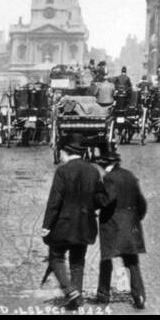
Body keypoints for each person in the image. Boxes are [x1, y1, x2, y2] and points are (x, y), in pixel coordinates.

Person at [42, 133, 108, 310]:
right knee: (78, 262)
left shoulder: (63, 171)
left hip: (63, 225)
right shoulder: (93, 170)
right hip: (85, 224)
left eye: (61, 153)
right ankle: (76, 300)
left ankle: (70, 290)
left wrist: (46, 225)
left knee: (55, 258)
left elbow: (54, 201)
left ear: (65, 152)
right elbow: (101, 199)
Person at [94, 152, 148, 309]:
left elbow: (106, 199)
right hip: (131, 225)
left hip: (113, 225)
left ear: (105, 164)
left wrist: (96, 196)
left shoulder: (109, 178)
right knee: (132, 261)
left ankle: (103, 294)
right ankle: (139, 296)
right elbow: (141, 203)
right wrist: (135, 220)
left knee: (106, 259)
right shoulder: (130, 175)